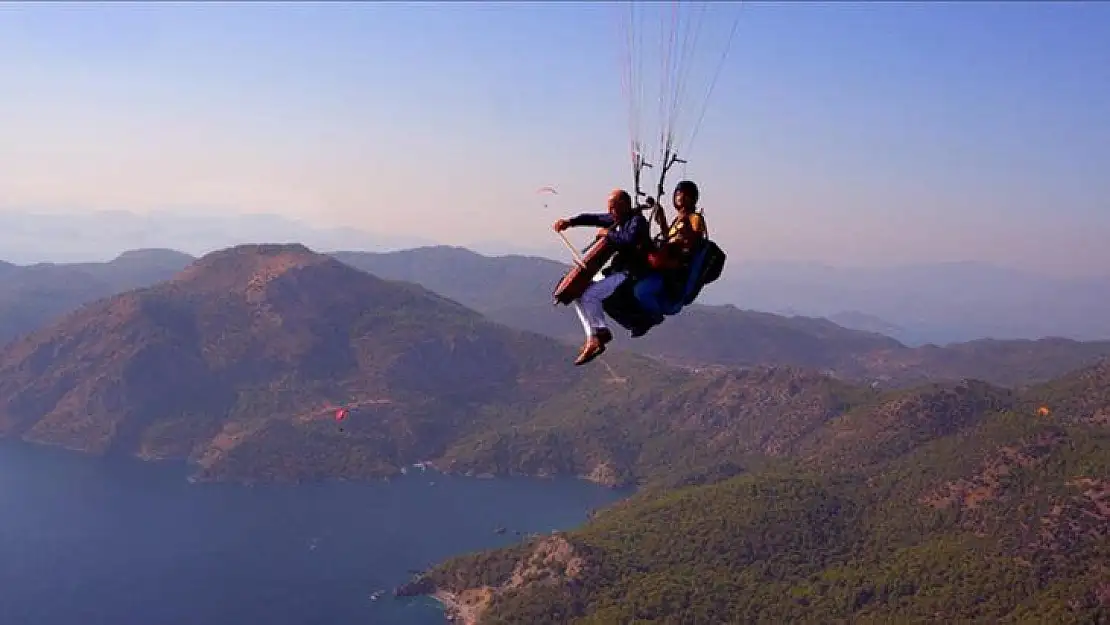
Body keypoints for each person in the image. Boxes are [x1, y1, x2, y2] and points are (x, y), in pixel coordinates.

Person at [553, 189, 652, 365]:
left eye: (613, 208)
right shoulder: (617, 218)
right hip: (618, 271)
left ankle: (600, 334)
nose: (610, 212)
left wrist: (608, 234)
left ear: (624, 205)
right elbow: (593, 218)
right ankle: (593, 337)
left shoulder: (637, 221)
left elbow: (628, 241)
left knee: (591, 295)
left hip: (631, 273)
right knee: (577, 293)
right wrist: (570, 222)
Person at [636, 180, 708, 316]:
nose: (680, 197)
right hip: (668, 261)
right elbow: (668, 236)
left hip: (675, 268)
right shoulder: (679, 219)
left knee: (642, 291)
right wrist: (661, 215)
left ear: (692, 198)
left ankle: (653, 315)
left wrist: (685, 235)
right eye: (678, 193)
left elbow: (693, 243)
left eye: (684, 194)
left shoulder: (694, 218)